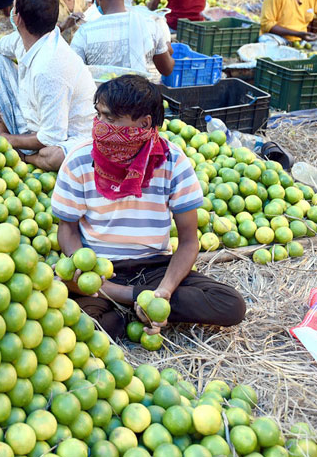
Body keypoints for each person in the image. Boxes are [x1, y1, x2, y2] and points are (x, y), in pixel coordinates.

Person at [53, 75, 246, 339]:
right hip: (101, 271)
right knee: (73, 327)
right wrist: (83, 267)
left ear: (143, 123)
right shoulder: (79, 160)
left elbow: (189, 242)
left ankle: (131, 305)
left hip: (154, 270)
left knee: (230, 304)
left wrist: (164, 292)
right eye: (98, 116)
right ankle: (132, 305)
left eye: (110, 118)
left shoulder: (172, 161)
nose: (100, 126)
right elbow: (67, 230)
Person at [0, 0, 96, 171]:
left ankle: (24, 156)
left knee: (54, 156)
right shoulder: (26, 38)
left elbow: (52, 136)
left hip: (71, 133)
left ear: (18, 19)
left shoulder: (49, 68)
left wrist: (7, 140)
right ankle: (17, 145)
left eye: (13, 7)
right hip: (36, 120)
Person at [71, 0, 173, 76]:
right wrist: (167, 48)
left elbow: (74, 74)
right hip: (140, 92)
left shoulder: (84, 33)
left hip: (100, 93)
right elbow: (167, 69)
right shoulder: (150, 25)